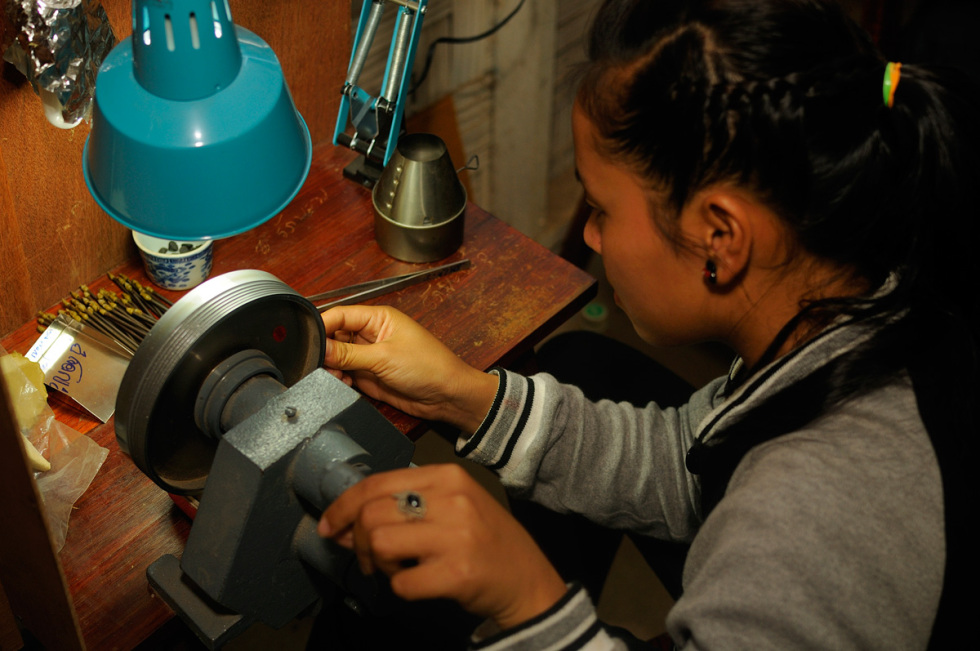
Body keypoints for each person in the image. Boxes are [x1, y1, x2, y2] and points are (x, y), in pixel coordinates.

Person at [315, 0, 977, 648]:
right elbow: (688, 468)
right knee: (582, 361)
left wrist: (530, 602)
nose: (592, 238)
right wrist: (464, 394)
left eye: (601, 208)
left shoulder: (805, 525)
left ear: (720, 235)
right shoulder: (859, 306)